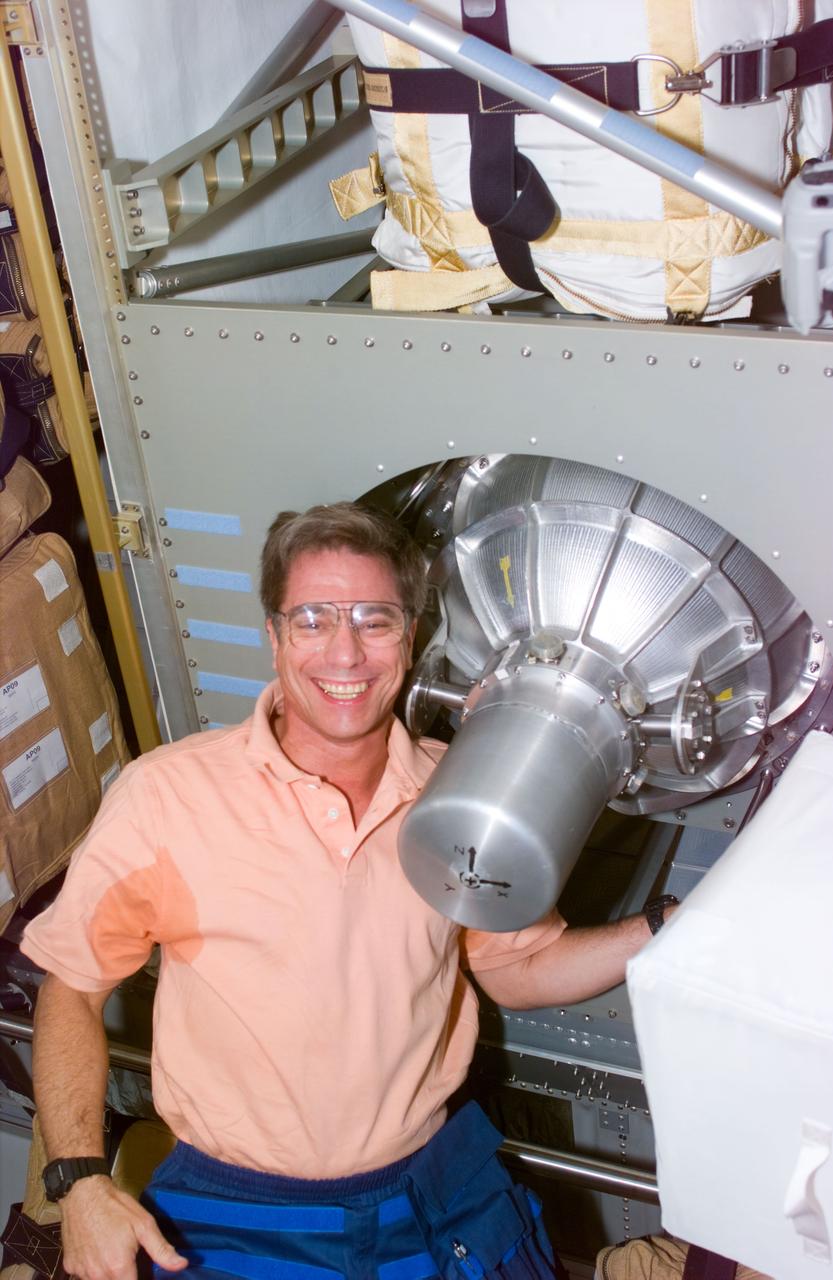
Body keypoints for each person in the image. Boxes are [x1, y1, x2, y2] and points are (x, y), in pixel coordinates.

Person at [22, 502, 676, 1280]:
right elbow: (70, 986)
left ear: (409, 640)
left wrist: (668, 924)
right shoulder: (169, 797)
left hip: (429, 1192)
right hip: (238, 1209)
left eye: (374, 620)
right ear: (273, 636)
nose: (345, 652)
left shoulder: (457, 797)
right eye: (312, 620)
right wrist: (80, 1180)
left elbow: (516, 966)